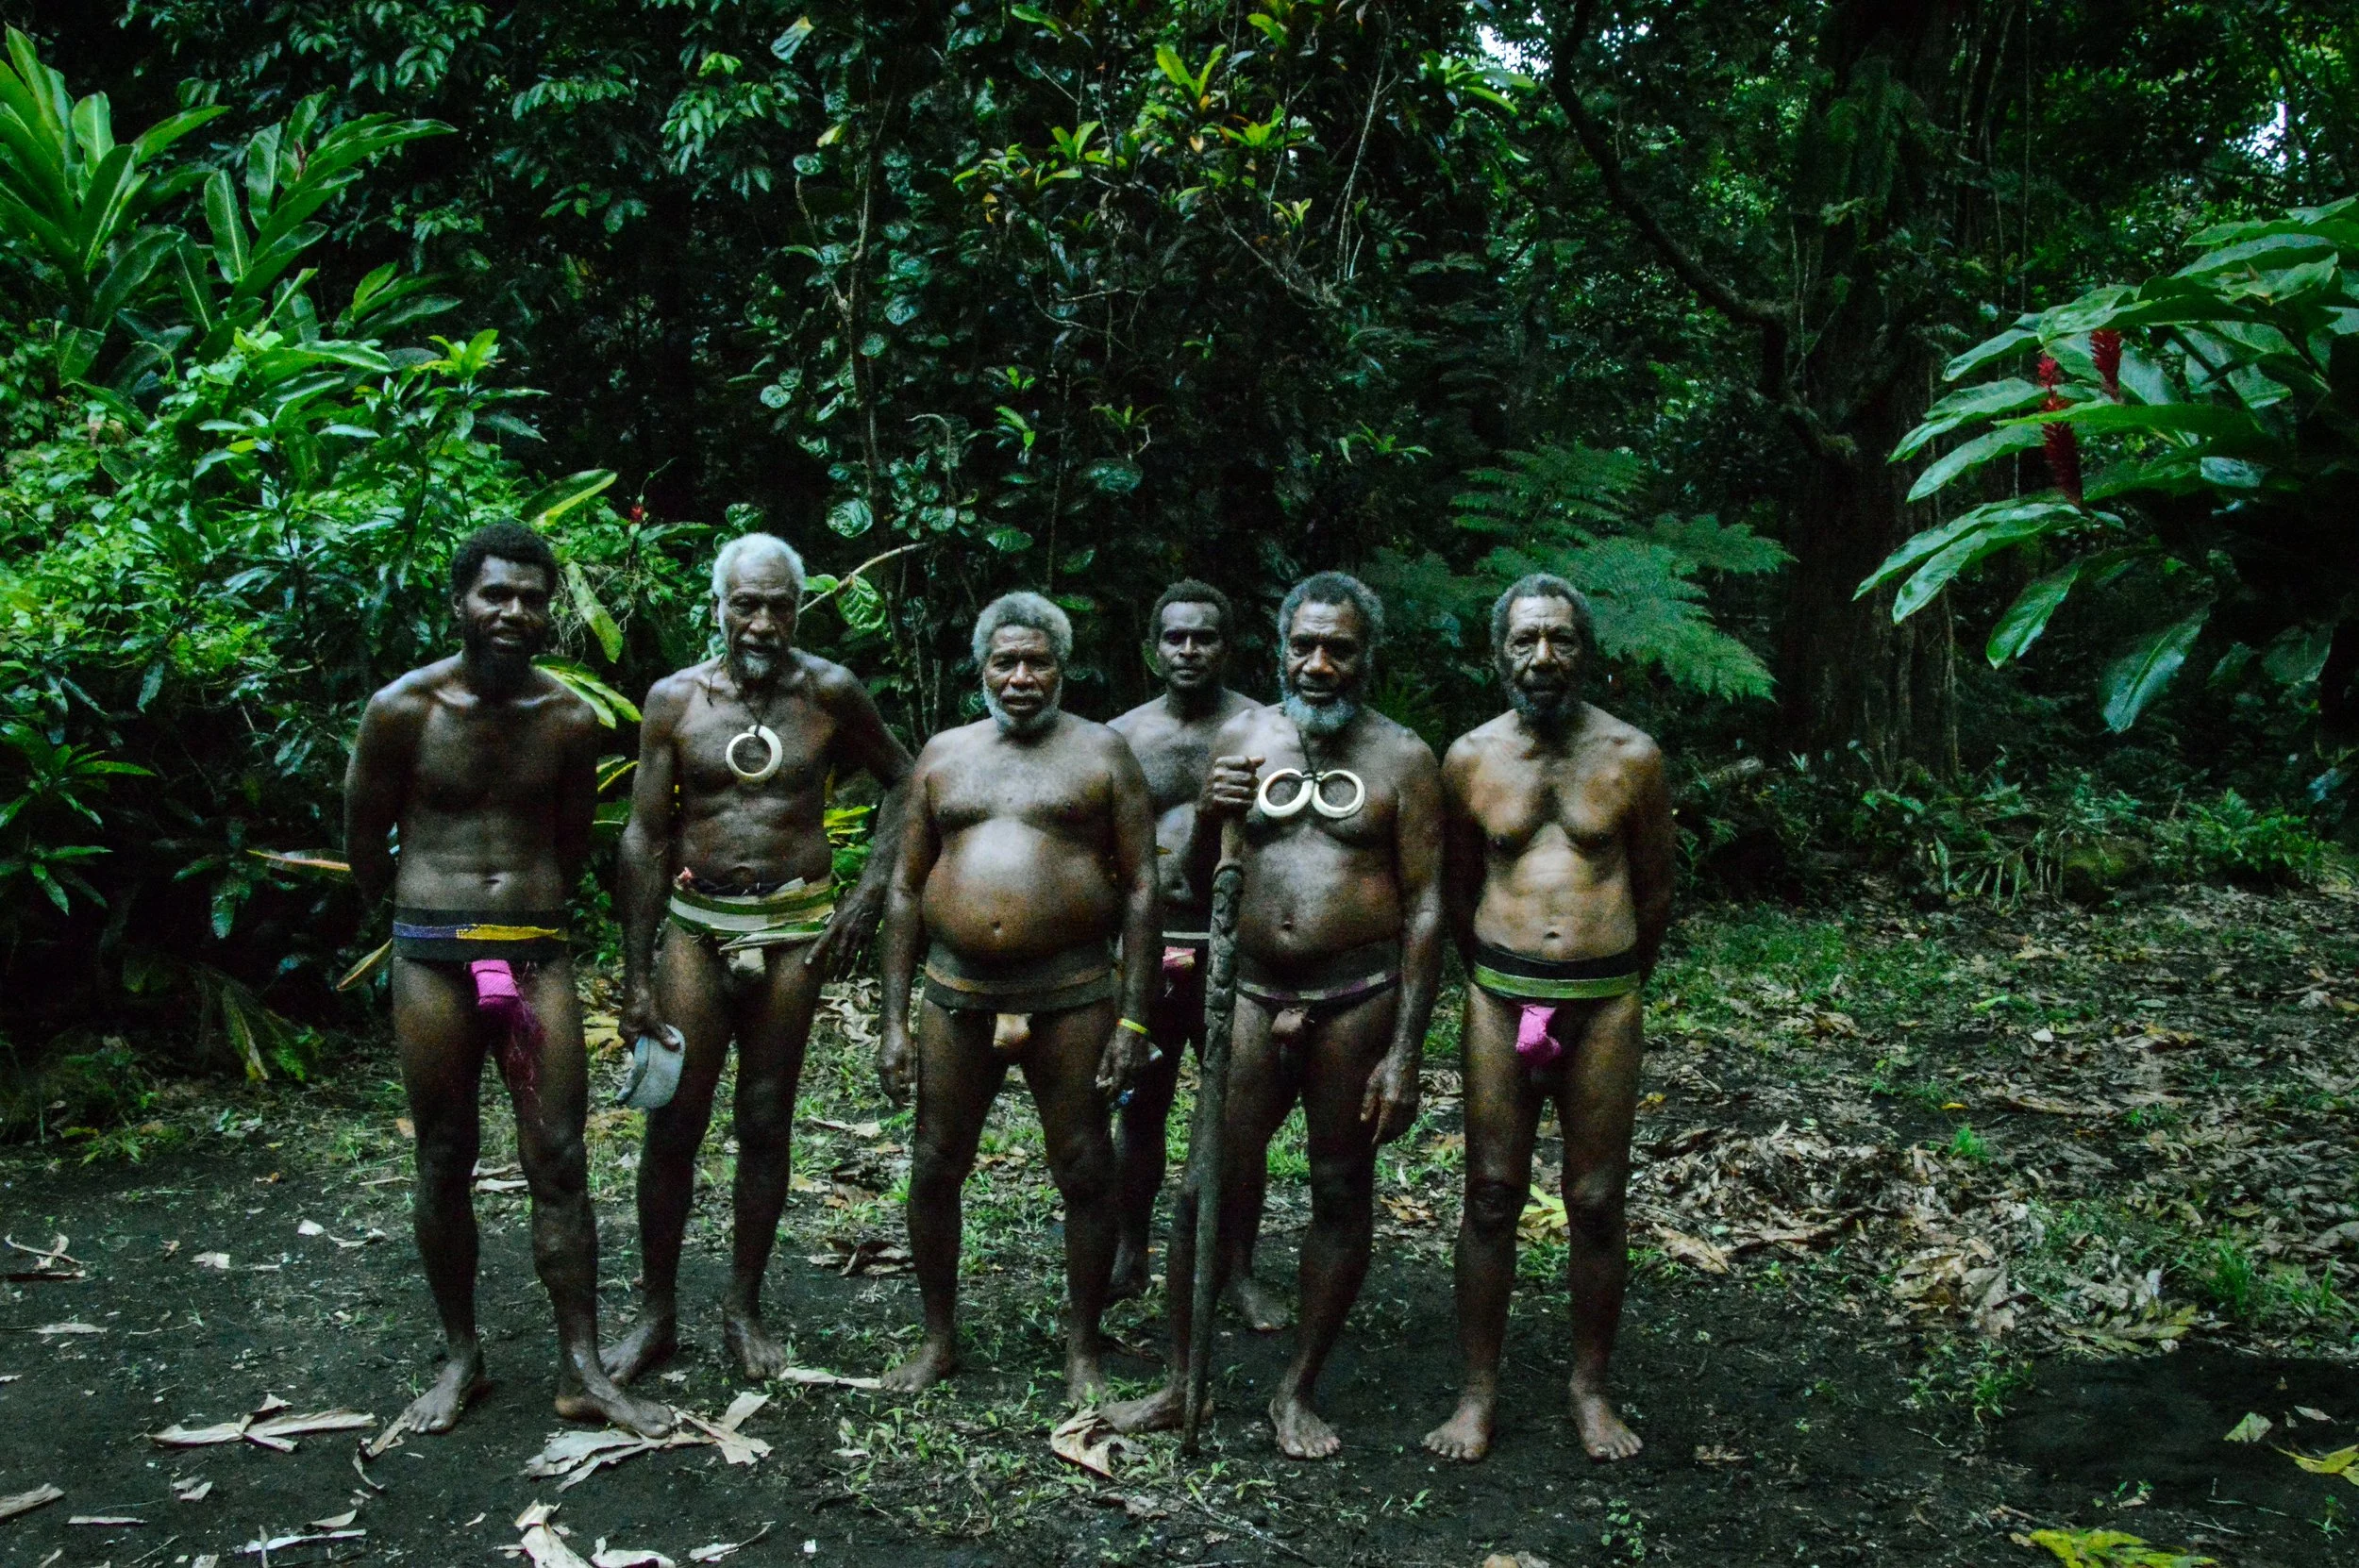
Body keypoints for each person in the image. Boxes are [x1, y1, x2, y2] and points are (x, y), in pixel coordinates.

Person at [343, 521, 672, 1440]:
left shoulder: (569, 720)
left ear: (547, 610)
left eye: (531, 597)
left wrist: (522, 917)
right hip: (432, 958)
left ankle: (580, 1367)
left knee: (558, 1159)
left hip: (534, 954)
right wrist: (418, 917)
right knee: (444, 1154)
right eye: (495, 593)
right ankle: (460, 1354)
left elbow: (573, 843)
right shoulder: (403, 711)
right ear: (460, 602)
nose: (513, 611)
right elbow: (364, 839)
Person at [1106, 572, 1443, 1459]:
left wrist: (1405, 1052)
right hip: (1250, 992)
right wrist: (1216, 809)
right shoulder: (1247, 734)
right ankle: (1184, 1384)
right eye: (1305, 646)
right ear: (1283, 647)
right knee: (1201, 1185)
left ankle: (1296, 1390)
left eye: (1339, 648)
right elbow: (1195, 861)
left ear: (1367, 656)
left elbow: (1427, 907)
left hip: (1355, 1000)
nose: (1320, 663)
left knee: (1338, 1186)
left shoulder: (1403, 758)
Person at [602, 534, 914, 1385]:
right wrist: (635, 977)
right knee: (674, 1119)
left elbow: (906, 779)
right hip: (695, 932)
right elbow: (644, 833)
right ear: (719, 605)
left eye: (780, 604)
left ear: (800, 606)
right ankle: (656, 1311)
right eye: (747, 603)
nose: (764, 621)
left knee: (766, 1117)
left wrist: (868, 893)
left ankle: (742, 1308)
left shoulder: (830, 693)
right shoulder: (674, 700)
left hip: (793, 932)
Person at [873, 592, 1160, 1401]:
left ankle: (1082, 1351)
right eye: (1007, 662)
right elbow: (902, 889)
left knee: (1084, 1167)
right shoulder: (944, 755)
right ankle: (937, 1339)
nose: (1022, 677)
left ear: (1061, 669)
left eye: (1038, 662)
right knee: (935, 1163)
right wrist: (893, 1021)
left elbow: (1142, 891)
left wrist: (1134, 1015)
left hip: (1071, 995)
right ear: (983, 669)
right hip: (955, 994)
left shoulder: (1103, 754)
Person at [1423, 574, 1672, 1464]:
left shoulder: (1633, 757)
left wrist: (1602, 979)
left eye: (1560, 639)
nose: (1543, 656)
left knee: (1598, 1201)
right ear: (1499, 653)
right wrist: (1506, 969)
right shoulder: (1468, 760)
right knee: (1490, 1195)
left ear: (1584, 650)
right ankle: (1477, 1392)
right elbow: (1454, 890)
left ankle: (1589, 1387)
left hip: (1604, 1001)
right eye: (1526, 640)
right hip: (1498, 993)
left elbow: (1656, 888)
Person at [1103, 581, 1288, 1329]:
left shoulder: (1265, 731)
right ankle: (1130, 1249)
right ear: (1154, 646)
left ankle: (1236, 1266)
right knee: (1139, 1108)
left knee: (1235, 1117)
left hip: (1234, 947)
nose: (1189, 651)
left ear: (1227, 645)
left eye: (1204, 638)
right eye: (1175, 638)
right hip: (1150, 945)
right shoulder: (1122, 738)